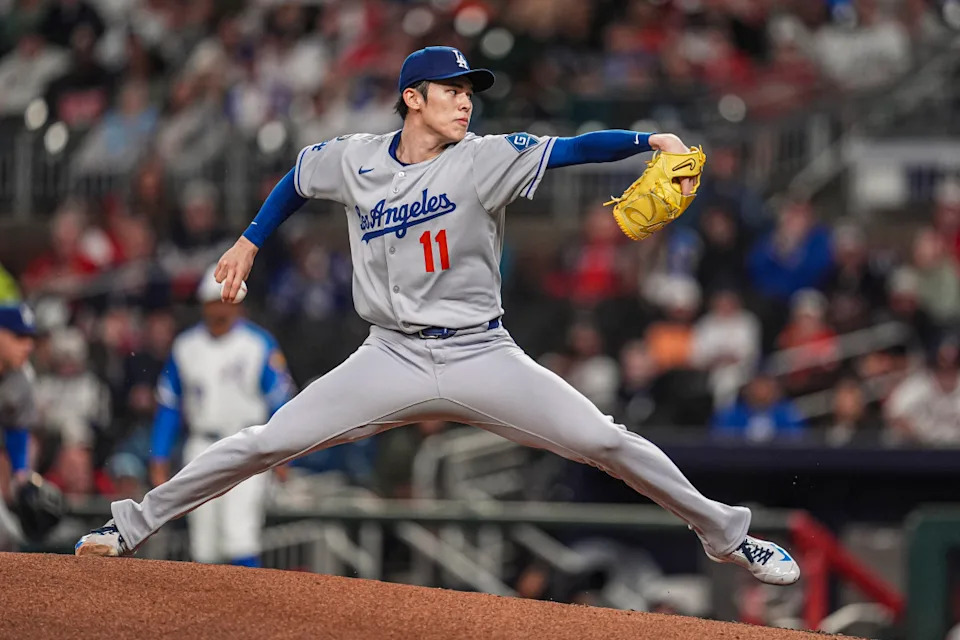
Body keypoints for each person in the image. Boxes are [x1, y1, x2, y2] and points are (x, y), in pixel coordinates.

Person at [77, 46, 799, 585]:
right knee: (265, 442)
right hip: (387, 355)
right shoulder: (356, 159)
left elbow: (575, 148)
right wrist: (248, 241)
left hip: (482, 354)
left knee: (604, 441)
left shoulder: (486, 158)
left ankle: (727, 536)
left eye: (468, 91)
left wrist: (651, 142)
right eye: (451, 90)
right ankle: (131, 524)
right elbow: (298, 176)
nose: (465, 102)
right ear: (411, 98)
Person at [146, 267, 295, 567]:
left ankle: (249, 612)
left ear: (238, 303)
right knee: (203, 544)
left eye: (227, 300)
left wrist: (284, 452)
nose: (221, 307)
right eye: (214, 301)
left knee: (239, 535)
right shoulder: (185, 346)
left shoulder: (258, 343)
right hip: (201, 444)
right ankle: (206, 613)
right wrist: (158, 456)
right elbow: (169, 406)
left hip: (247, 443)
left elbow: (280, 400)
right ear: (203, 305)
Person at [0, 304, 39, 550]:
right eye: (18, 336)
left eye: (30, 338)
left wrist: (20, 476)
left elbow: (16, 430)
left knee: (9, 538)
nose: (28, 345)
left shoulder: (21, 378)